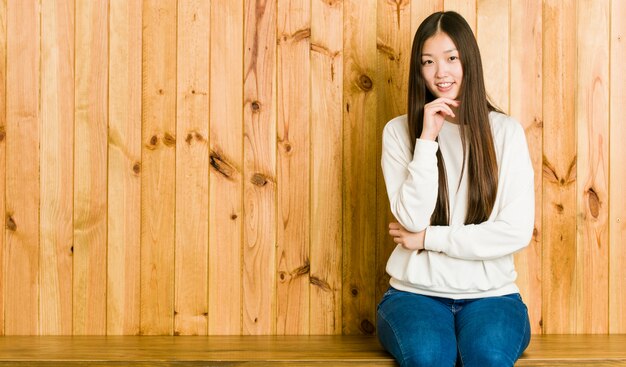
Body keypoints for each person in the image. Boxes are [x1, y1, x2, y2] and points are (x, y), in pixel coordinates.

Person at [377, 11, 534, 367]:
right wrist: (427, 139)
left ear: (469, 61)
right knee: (429, 357)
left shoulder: (506, 133)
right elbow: (412, 217)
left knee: (489, 357)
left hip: (493, 296)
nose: (440, 73)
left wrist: (428, 239)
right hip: (414, 295)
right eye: (428, 62)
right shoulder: (399, 132)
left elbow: (514, 232)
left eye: (451, 59)